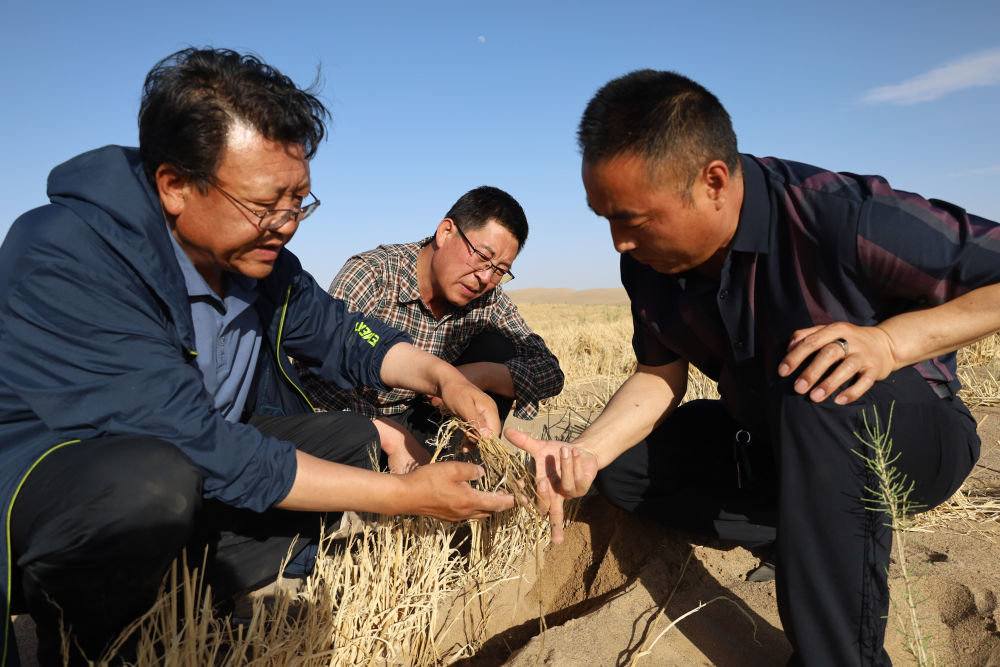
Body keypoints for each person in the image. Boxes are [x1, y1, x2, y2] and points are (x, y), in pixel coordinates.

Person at [0, 48, 514, 667]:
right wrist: (405, 497)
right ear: (176, 186)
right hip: (58, 484)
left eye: (299, 202)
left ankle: (215, 591)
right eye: (267, 205)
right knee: (149, 484)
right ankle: (98, 644)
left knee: (353, 438)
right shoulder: (69, 256)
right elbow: (193, 443)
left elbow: (349, 337)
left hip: (198, 458)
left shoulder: (262, 265)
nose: (287, 224)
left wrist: (443, 378)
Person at [506, 69, 998, 666]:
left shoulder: (840, 214)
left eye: (631, 218)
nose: (617, 242)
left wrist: (891, 344)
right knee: (626, 470)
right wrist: (587, 450)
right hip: (776, 441)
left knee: (817, 391)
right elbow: (660, 374)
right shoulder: (647, 263)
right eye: (603, 218)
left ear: (713, 181)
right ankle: (817, 538)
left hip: (908, 438)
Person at [298, 186, 564, 470]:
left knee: (498, 349)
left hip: (426, 421)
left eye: (500, 270)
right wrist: (388, 435)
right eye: (482, 257)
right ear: (446, 232)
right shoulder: (374, 274)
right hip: (360, 422)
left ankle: (462, 473)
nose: (485, 277)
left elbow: (550, 372)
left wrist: (475, 376)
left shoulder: (488, 298)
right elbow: (317, 379)